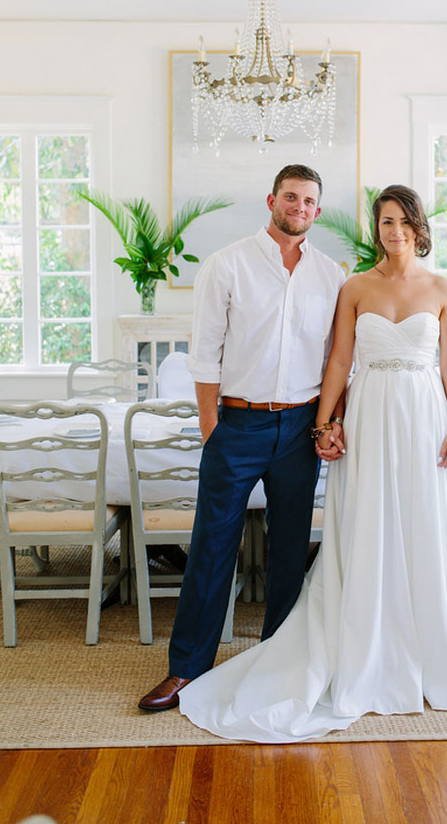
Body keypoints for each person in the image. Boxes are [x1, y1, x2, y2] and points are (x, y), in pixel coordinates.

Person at [179, 184, 447, 741]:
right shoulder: (350, 285)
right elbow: (339, 360)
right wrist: (328, 424)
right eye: (385, 221)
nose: (393, 230)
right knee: (355, 528)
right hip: (358, 420)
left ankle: (417, 650)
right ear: (273, 201)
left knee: (412, 529)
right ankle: (191, 665)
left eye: (403, 221)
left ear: (419, 228)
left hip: (421, 420)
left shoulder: (439, 288)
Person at [138, 164, 345, 711]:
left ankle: (277, 663)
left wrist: (326, 423)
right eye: (291, 197)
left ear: (317, 212)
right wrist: (213, 433)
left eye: (308, 202)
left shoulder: (331, 275)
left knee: (288, 550)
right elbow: (204, 356)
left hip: (301, 427)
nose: (299, 208)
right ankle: (186, 669)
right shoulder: (226, 265)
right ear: (271, 199)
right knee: (211, 546)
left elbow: (334, 363)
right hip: (237, 423)